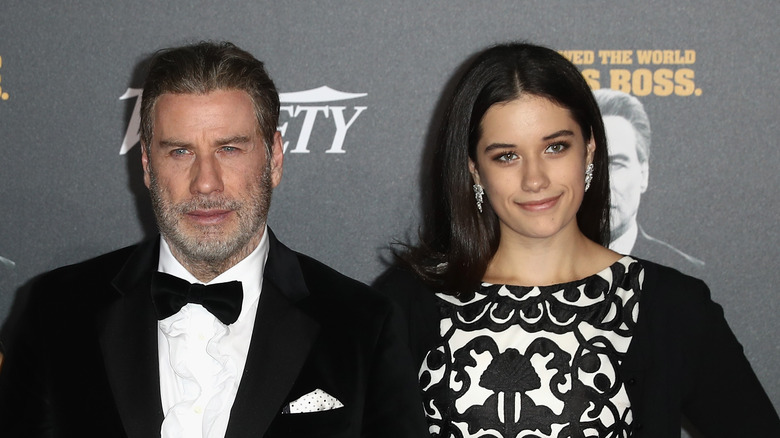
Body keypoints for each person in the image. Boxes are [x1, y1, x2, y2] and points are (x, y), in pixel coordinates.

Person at [0, 41, 428, 438]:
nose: (205, 183)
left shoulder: (361, 326)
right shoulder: (55, 311)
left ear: (274, 159)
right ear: (147, 166)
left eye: (229, 148)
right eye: (180, 151)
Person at [375, 42, 779, 437]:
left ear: (588, 150)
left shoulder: (672, 307)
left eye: (555, 147)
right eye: (506, 156)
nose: (535, 179)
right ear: (474, 170)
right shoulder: (409, 303)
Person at [593, 88, 704, 270]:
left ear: (643, 174)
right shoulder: (530, 276)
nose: (601, 184)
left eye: (617, 164)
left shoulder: (690, 277)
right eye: (586, 164)